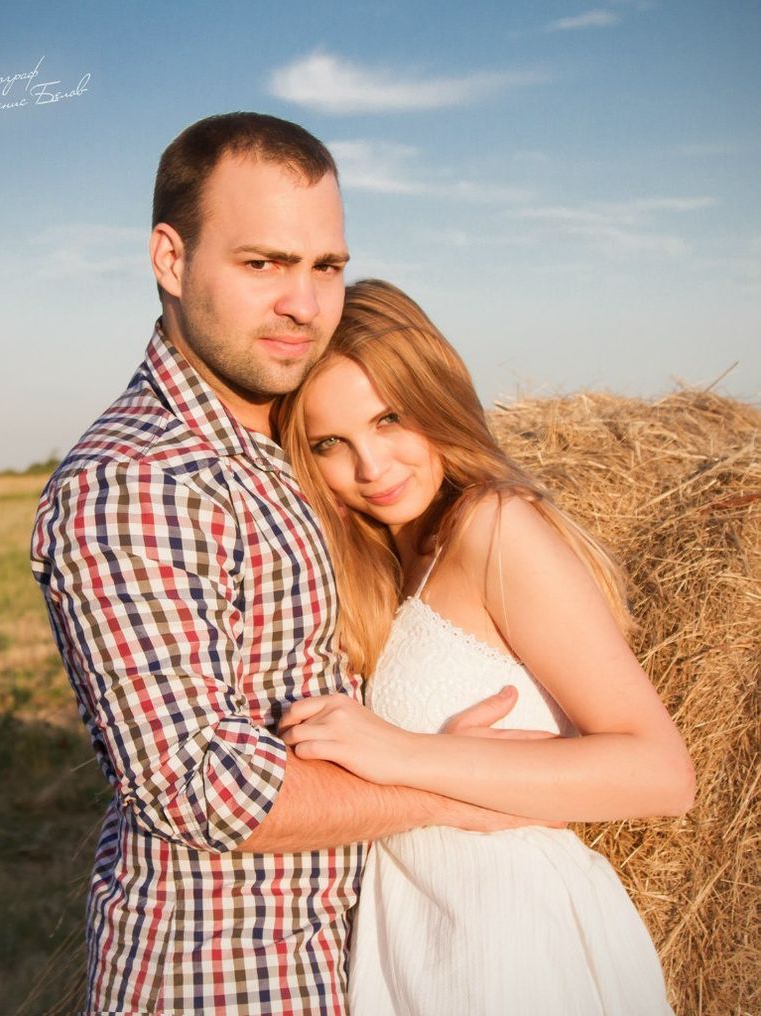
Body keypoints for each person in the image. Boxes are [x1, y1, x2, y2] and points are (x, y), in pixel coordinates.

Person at [31, 115, 543, 1015]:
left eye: (327, 267)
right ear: (170, 258)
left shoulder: (300, 442)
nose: (304, 304)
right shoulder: (137, 479)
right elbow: (201, 788)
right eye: (262, 264)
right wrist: (442, 783)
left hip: (366, 957)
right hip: (228, 977)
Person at [278, 278, 696, 1015]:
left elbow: (660, 772)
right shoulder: (390, 562)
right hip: (420, 942)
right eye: (330, 443)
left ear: (438, 400)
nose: (371, 467)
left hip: (514, 944)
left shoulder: (494, 528)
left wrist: (404, 753)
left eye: (390, 419)